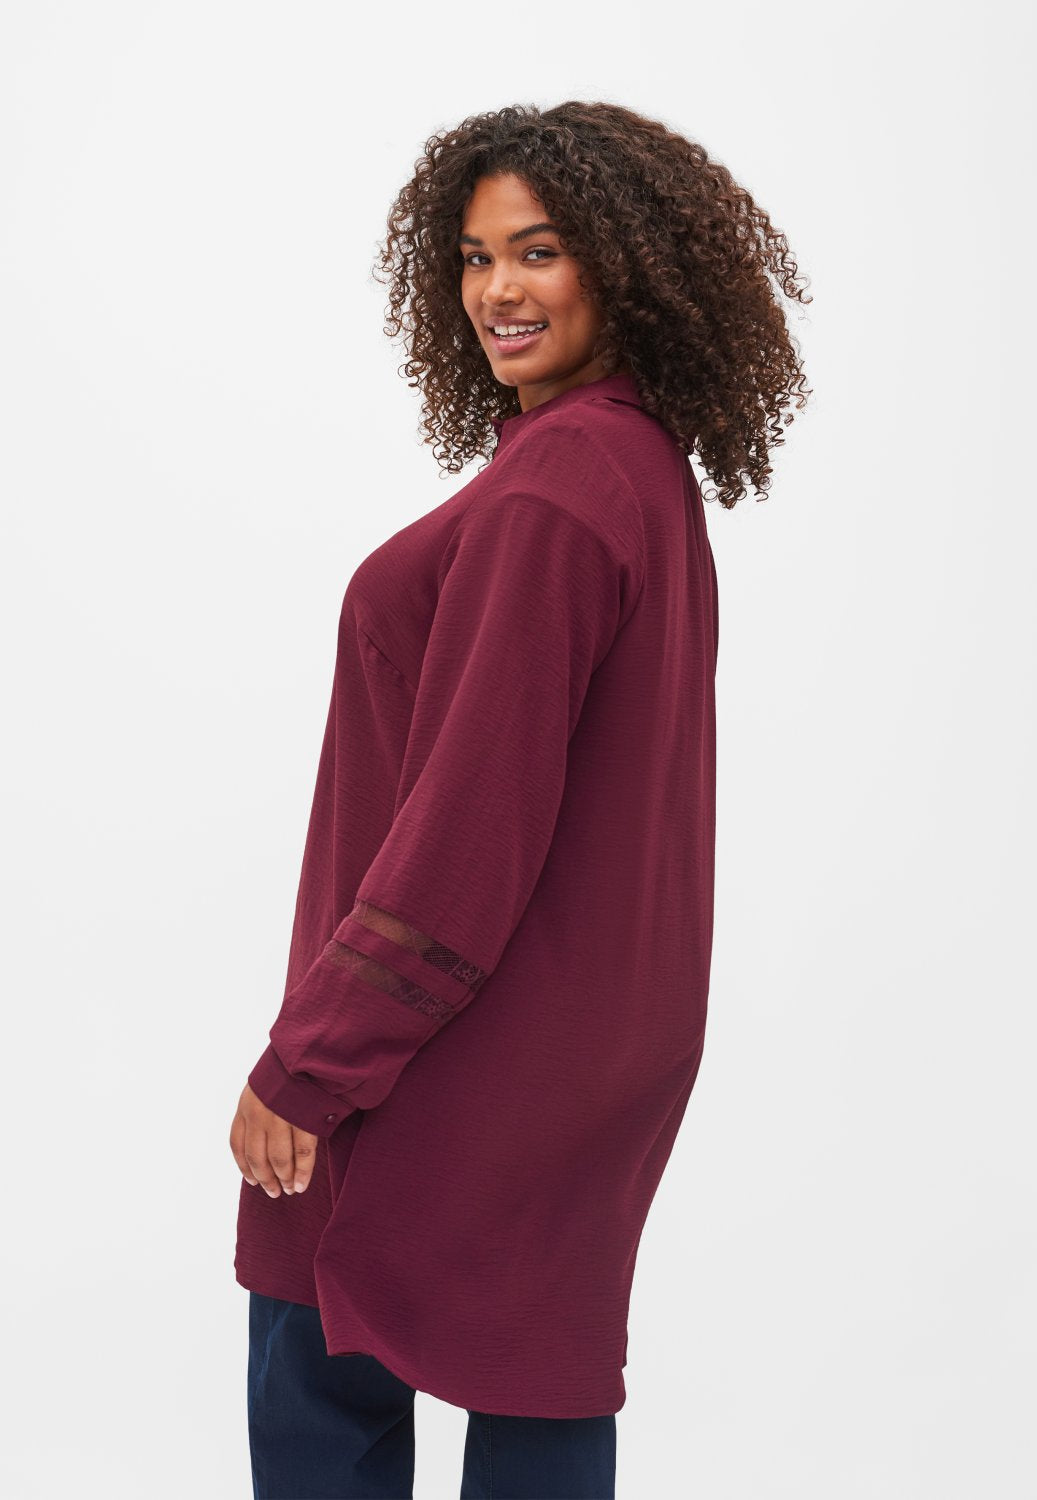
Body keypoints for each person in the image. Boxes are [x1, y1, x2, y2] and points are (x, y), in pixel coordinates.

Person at [228, 99, 811, 1500]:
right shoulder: (630, 467)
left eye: (538, 251)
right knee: (535, 1381)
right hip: (579, 1035)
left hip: (454, 1039)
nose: (497, 288)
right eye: (475, 257)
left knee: (317, 1369)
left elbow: (469, 829)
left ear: (625, 262)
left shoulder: (555, 494)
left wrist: (312, 1060)